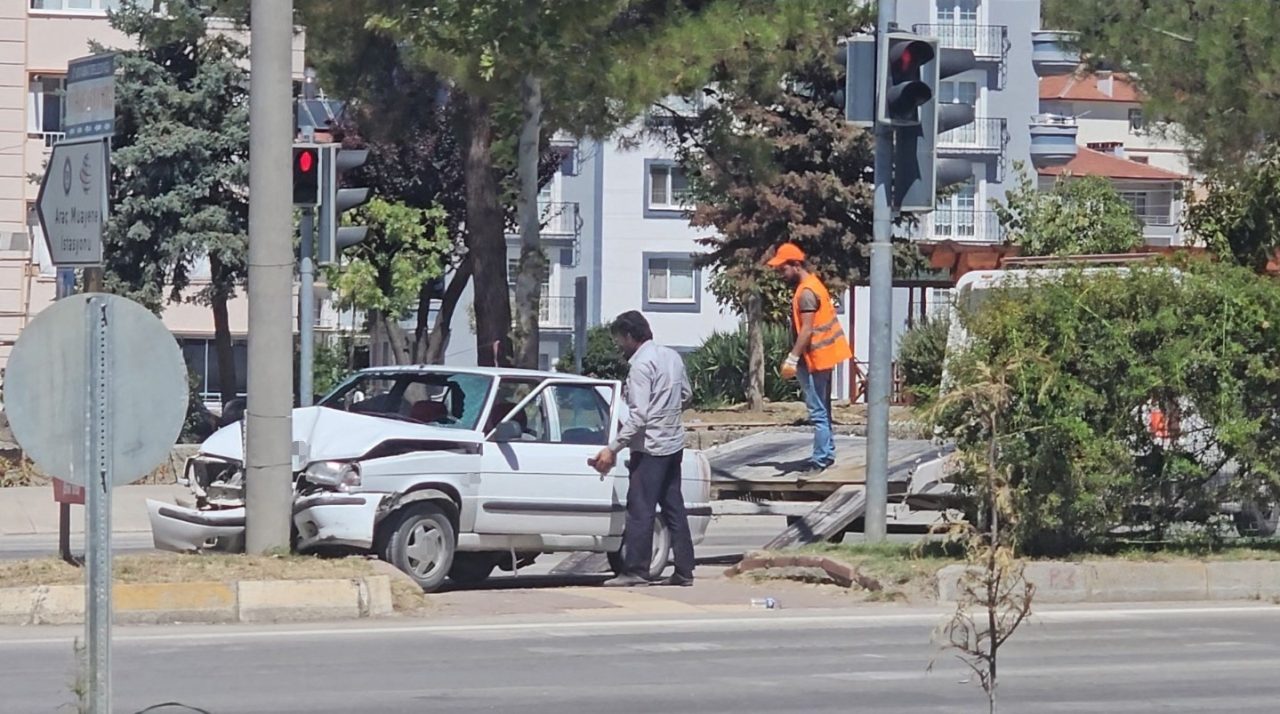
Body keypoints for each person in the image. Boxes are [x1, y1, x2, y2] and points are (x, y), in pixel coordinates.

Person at [590, 311, 696, 588]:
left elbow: (639, 416)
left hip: (650, 448)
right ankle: (684, 570)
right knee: (674, 507)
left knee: (640, 509)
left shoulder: (640, 366)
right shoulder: (672, 356)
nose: (618, 346)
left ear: (629, 337)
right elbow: (686, 395)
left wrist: (612, 448)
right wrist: (668, 414)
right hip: (673, 443)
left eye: (619, 340)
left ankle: (636, 570)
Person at [767, 242, 853, 474]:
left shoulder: (806, 292)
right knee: (823, 409)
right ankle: (827, 451)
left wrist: (793, 358)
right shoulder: (814, 284)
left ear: (795, 265)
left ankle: (821, 458)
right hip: (824, 356)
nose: (780, 274)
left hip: (813, 359)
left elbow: (806, 330)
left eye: (782, 269)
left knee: (817, 412)